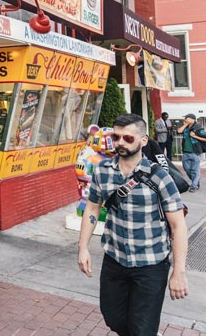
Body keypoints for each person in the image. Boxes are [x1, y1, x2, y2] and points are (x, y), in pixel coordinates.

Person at [78, 113, 188, 336]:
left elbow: (178, 226)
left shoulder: (160, 178)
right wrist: (83, 248)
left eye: (128, 138)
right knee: (113, 318)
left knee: (142, 329)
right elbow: (92, 208)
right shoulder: (103, 171)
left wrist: (179, 271)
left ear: (143, 140)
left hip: (150, 265)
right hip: (114, 260)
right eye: (116, 137)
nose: (120, 143)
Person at [177, 113, 205, 192]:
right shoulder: (185, 128)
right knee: (187, 169)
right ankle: (196, 181)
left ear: (192, 119)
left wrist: (195, 136)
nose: (185, 119)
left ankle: (194, 186)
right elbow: (179, 131)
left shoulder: (198, 128)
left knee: (195, 170)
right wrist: (185, 124)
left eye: (187, 118)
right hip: (186, 152)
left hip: (195, 152)